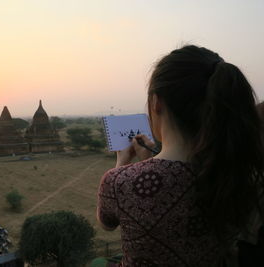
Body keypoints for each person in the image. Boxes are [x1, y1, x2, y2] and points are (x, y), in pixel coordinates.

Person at [97, 45, 264, 266]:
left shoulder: (120, 181)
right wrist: (148, 162)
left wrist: (121, 166)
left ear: (156, 103)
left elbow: (107, 223)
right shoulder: (238, 176)